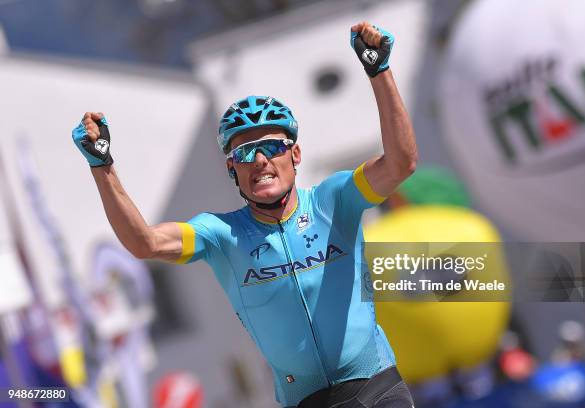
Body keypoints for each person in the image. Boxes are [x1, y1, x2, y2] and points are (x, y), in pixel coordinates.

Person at [72, 21, 418, 408]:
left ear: (295, 155)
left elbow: (401, 163)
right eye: (242, 153)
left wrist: (379, 71)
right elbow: (144, 242)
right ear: (231, 170)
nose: (258, 160)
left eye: (270, 145)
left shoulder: (333, 199)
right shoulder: (223, 234)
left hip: (376, 386)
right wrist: (102, 167)